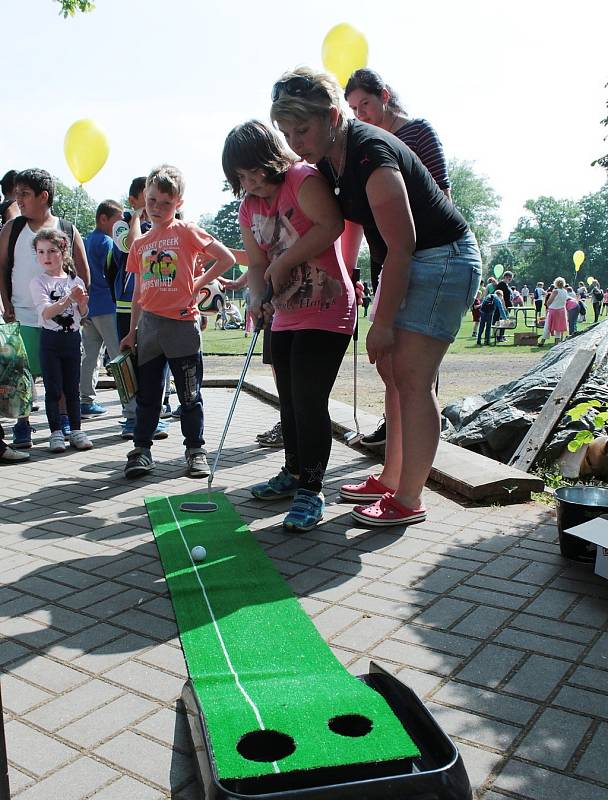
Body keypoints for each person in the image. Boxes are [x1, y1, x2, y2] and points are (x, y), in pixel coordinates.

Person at [270, 67, 481, 527]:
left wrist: (382, 323)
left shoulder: (371, 154)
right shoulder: (330, 157)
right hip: (411, 259)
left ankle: (408, 499)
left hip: (442, 258)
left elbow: (402, 246)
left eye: (301, 130)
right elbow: (350, 227)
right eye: (286, 133)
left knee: (410, 375)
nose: (294, 143)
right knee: (391, 373)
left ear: (332, 115)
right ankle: (390, 478)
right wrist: (346, 273)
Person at [222, 119, 356, 531]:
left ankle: (312, 492)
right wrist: (257, 298)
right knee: (290, 400)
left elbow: (331, 226)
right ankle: (294, 473)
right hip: (285, 314)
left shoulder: (301, 178)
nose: (249, 183)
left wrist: (285, 261)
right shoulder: (248, 208)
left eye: (253, 172)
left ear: (269, 159)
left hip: (327, 306)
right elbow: (258, 265)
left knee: (309, 400)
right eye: (240, 177)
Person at [344, 68, 452, 450]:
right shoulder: (359, 146)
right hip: (384, 257)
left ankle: (417, 436)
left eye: (366, 104)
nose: (362, 114)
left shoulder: (417, 132)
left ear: (385, 95)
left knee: (414, 360)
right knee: (389, 358)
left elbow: (441, 193)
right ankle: (395, 428)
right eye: (354, 109)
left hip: (422, 254)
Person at [119, 164, 234, 479]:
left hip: (182, 327)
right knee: (148, 396)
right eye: (152, 201)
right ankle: (141, 450)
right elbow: (139, 291)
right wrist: (131, 333)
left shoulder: (186, 231)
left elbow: (227, 258)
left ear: (178, 204)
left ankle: (195, 450)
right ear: (145, 200)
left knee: (189, 395)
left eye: (165, 203)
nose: (157, 209)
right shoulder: (141, 244)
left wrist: (198, 284)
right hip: (151, 329)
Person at [0, 168, 90, 448]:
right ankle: (22, 424)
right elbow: (1, 267)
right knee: (21, 376)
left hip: (59, 320)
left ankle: (64, 425)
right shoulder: (12, 229)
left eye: (25, 194)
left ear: (44, 196)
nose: (19, 200)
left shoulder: (66, 229)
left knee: (62, 377)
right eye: (16, 194)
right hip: (23, 314)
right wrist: (6, 303)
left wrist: (78, 306)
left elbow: (84, 275)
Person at [110, 177, 170, 436]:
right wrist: (135, 217)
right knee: (130, 364)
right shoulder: (122, 225)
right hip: (127, 306)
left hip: (157, 305)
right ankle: (132, 418)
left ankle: (153, 417)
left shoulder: (160, 226)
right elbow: (133, 246)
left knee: (155, 366)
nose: (153, 205)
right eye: (148, 199)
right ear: (134, 200)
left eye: (158, 199)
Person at [29, 228, 92, 453]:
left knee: (72, 387)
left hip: (72, 339)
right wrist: (69, 298)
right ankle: (56, 432)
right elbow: (46, 312)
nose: (46, 257)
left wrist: (82, 302)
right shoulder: (38, 282)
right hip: (50, 341)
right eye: (41, 252)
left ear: (63, 251)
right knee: (53, 388)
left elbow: (83, 313)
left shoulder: (76, 281)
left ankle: (76, 429)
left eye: (52, 251)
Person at [80, 199, 124, 418]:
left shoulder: (86, 240)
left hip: (88, 306)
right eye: (118, 221)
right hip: (107, 305)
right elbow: (112, 275)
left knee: (90, 355)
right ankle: (130, 406)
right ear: (103, 219)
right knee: (119, 355)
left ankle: (85, 400)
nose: (121, 226)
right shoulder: (107, 242)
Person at [538, 277, 568, 345]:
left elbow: (549, 301)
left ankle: (542, 341)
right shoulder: (565, 291)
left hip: (553, 310)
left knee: (547, 326)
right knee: (558, 327)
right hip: (562, 310)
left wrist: (548, 305)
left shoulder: (555, 291)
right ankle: (557, 342)